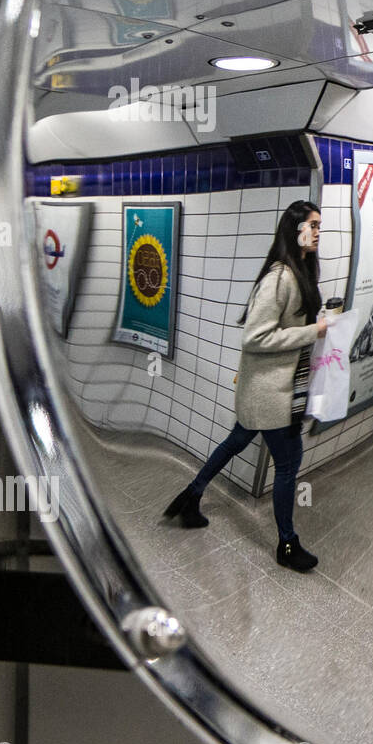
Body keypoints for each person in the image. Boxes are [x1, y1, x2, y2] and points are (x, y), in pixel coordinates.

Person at [160, 199, 328, 572]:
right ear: (295, 228)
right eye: (312, 225)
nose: (318, 232)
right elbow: (254, 337)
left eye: (320, 226)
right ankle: (287, 544)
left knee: (237, 440)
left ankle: (191, 496)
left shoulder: (298, 271)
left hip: (267, 390)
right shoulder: (279, 278)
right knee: (288, 464)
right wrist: (312, 331)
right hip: (272, 394)